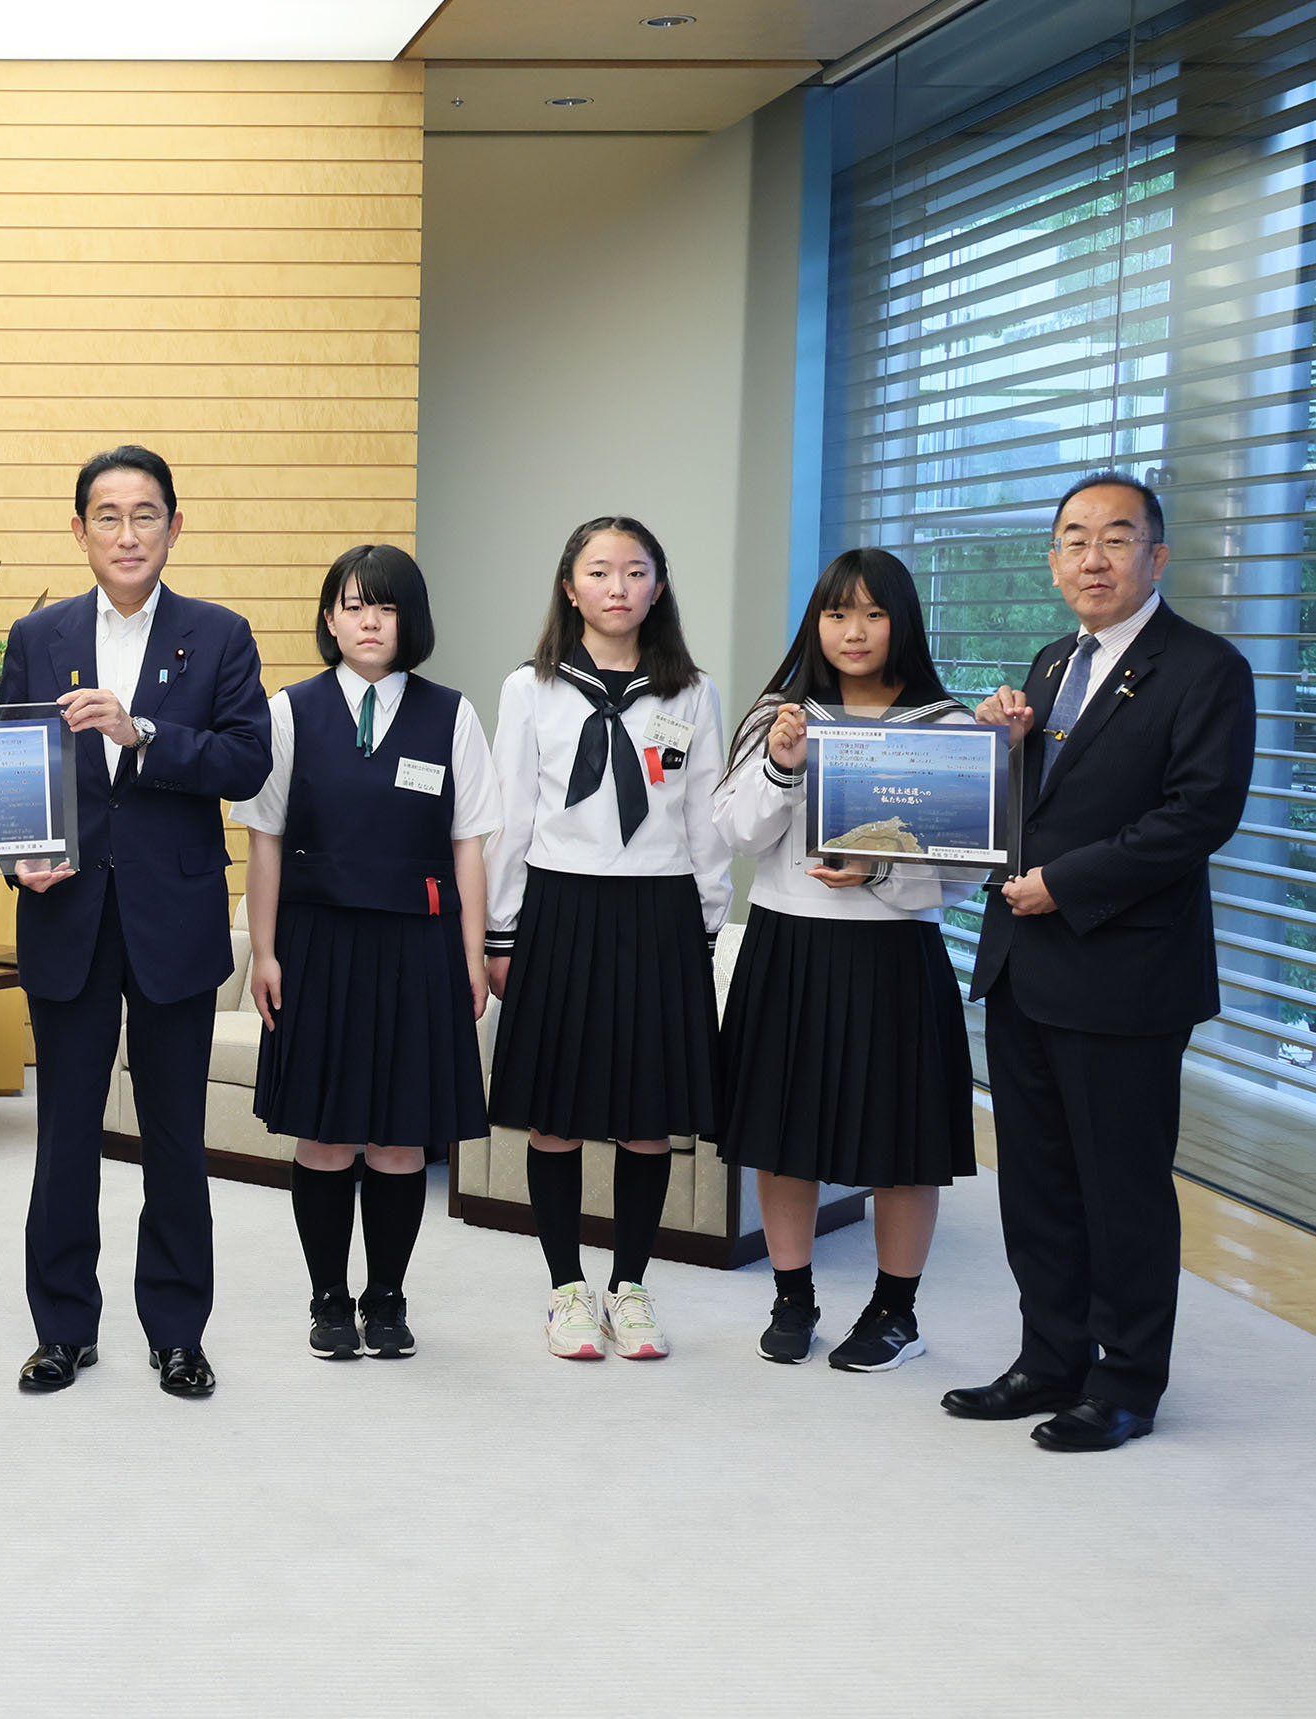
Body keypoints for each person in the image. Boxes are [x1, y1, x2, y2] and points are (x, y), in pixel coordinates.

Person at [954, 471, 1254, 1451]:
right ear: (1052, 561)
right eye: (1074, 540)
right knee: (1035, 1181)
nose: (1093, 557)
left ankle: (1125, 1383)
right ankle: (1050, 1359)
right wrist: (1003, 748)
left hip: (1124, 972)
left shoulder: (1205, 668)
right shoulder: (1050, 664)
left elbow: (1197, 815)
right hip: (1024, 962)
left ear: (1155, 556)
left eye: (1115, 538)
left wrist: (1067, 883)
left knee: (1120, 1187)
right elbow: (1038, 804)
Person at [0, 445, 273, 1399]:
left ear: (174, 526)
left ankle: (177, 1332)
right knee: (64, 1138)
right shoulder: (37, 635)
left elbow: (246, 761)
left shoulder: (219, 634)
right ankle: (61, 1329)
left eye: (145, 514)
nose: (127, 533)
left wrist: (141, 732)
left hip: (173, 917)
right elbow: (10, 770)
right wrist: (15, 859)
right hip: (66, 914)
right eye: (107, 517)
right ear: (79, 530)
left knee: (174, 1141)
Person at [710, 548, 981, 1371]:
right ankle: (791, 1298)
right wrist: (781, 766)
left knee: (903, 1143)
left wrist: (880, 870)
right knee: (780, 1134)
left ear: (902, 622)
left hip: (894, 953)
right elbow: (735, 834)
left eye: (872, 613)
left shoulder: (945, 727)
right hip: (787, 946)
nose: (852, 631)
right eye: (836, 614)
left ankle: (895, 1313)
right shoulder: (778, 716)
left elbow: (966, 871)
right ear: (815, 622)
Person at [235, 545, 498, 1361]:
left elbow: (469, 845)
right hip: (315, 945)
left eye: (384, 606)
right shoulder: (289, 710)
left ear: (408, 619)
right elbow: (263, 840)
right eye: (352, 606)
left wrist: (471, 953)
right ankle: (327, 1299)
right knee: (323, 1136)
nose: (369, 621)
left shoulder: (450, 713)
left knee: (396, 1138)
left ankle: (386, 1298)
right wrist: (263, 951)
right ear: (329, 619)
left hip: (417, 945)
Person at [485, 515, 728, 1362]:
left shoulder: (690, 691)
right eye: (598, 571)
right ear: (569, 586)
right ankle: (565, 1290)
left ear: (657, 587)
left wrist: (705, 923)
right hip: (558, 907)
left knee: (646, 1119)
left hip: (660, 910)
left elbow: (704, 815)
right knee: (553, 1116)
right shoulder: (530, 687)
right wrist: (501, 932)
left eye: (634, 571)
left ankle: (629, 1287)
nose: (616, 586)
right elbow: (511, 813)